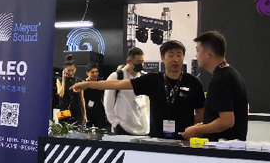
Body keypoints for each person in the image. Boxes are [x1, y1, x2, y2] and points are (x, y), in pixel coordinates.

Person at [73, 41, 204, 138]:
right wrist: (88, 85)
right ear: (162, 58)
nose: (175, 59)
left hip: (184, 138)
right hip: (157, 139)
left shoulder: (193, 82)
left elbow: (201, 113)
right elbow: (117, 84)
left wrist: (189, 125)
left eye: (179, 55)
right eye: (171, 55)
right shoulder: (153, 79)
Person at [182, 31, 249, 141]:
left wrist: (198, 130)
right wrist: (205, 124)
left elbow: (226, 121)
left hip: (223, 147)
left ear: (208, 54)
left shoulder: (221, 79)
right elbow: (222, 116)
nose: (196, 55)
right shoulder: (230, 73)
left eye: (197, 50)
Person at [103, 47, 149, 136]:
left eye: (142, 62)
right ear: (129, 61)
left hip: (143, 128)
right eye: (138, 62)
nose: (140, 65)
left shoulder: (143, 77)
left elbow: (147, 101)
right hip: (123, 127)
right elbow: (108, 103)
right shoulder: (116, 77)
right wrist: (115, 123)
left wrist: (148, 120)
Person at [56, 55, 85, 125]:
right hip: (64, 113)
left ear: (75, 69)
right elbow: (61, 94)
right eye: (68, 70)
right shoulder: (59, 80)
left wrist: (85, 114)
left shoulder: (79, 81)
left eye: (73, 70)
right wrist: (63, 79)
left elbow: (82, 98)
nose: (71, 72)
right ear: (64, 70)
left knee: (77, 130)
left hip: (77, 112)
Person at [83, 64, 109, 131]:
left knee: (100, 130)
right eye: (92, 72)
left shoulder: (101, 82)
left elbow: (104, 96)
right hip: (88, 109)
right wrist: (84, 113)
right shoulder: (83, 84)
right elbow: (82, 99)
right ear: (87, 73)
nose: (95, 74)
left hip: (99, 109)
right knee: (87, 131)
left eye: (96, 72)